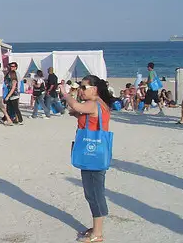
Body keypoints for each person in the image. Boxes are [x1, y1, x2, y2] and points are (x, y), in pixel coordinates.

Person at [61, 75, 112, 243]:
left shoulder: (94, 104)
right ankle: (95, 227)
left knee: (95, 193)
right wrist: (77, 113)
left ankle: (98, 233)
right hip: (93, 153)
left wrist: (65, 93)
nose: (81, 90)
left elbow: (75, 105)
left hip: (93, 155)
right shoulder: (96, 105)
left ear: (95, 89)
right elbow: (80, 113)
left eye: (84, 87)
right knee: (92, 191)